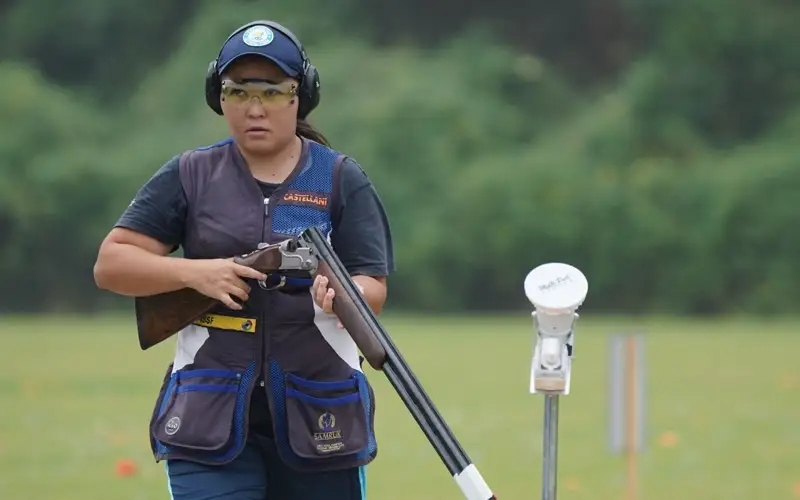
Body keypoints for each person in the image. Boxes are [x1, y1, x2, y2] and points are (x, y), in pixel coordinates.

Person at [93, 19, 394, 500]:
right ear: (220, 98)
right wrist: (198, 273)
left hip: (321, 412)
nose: (255, 109)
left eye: (272, 92)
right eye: (237, 93)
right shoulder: (190, 173)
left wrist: (344, 295)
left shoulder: (340, 178)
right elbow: (111, 264)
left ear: (301, 95)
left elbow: (373, 287)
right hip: (206, 412)